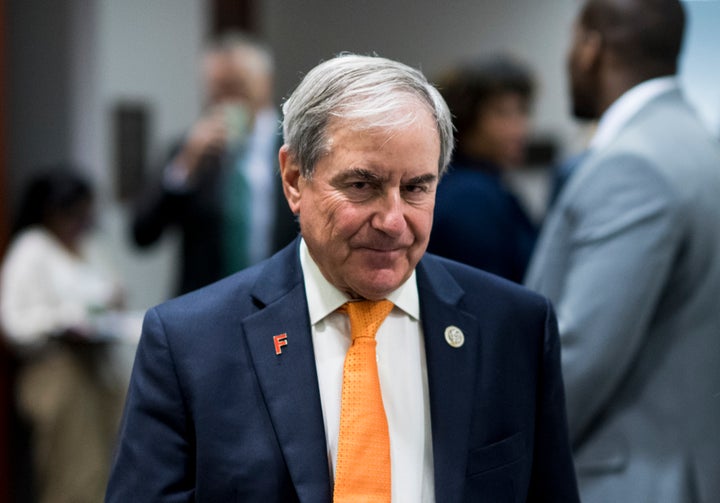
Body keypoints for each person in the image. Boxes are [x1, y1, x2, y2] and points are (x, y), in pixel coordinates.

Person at [107, 54, 580, 502]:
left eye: (416, 188)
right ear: (294, 179)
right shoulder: (190, 343)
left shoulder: (513, 328)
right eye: (361, 186)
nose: (394, 220)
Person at [524, 0, 720, 501]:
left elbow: (578, 356)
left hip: (617, 479)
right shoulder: (698, 144)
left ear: (591, 47)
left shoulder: (633, 165)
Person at [131, 31, 296, 295]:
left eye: (237, 86)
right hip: (203, 303)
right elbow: (142, 234)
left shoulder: (295, 147)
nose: (227, 100)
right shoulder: (187, 149)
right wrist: (185, 166)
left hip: (279, 299)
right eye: (218, 90)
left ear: (266, 82)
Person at [0, 167, 127, 503]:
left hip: (99, 369)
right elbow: (14, 322)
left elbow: (112, 289)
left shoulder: (90, 245)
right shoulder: (31, 248)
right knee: (72, 475)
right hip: (58, 371)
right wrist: (62, 321)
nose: (80, 222)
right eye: (73, 214)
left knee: (108, 468)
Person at [427, 56, 538, 282]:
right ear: (466, 118)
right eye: (502, 113)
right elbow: (489, 294)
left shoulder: (490, 183)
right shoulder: (469, 195)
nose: (518, 127)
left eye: (522, 111)